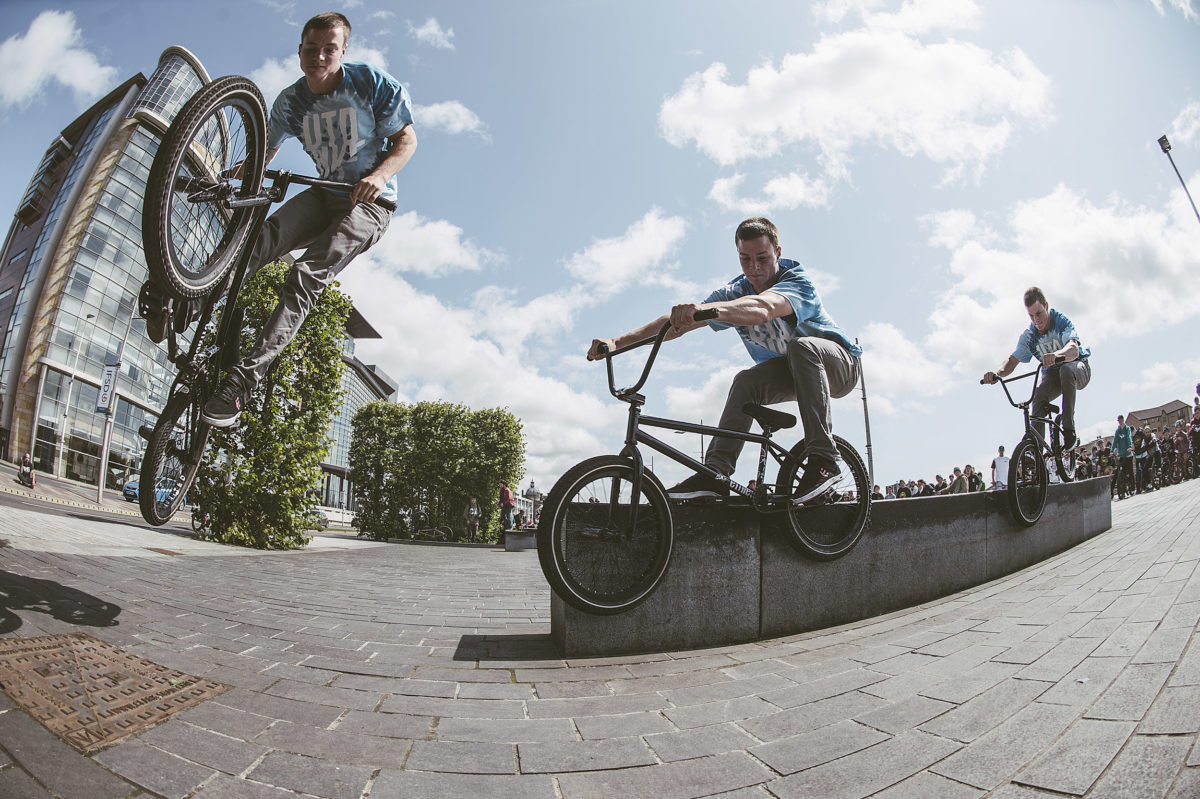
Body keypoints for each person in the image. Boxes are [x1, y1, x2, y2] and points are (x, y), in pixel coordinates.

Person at [141, 11, 417, 428]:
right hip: (324, 194)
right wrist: (225, 175)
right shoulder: (290, 102)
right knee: (259, 241)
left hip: (369, 205)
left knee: (306, 274)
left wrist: (378, 176)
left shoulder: (372, 84)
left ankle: (243, 381)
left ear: (343, 51)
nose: (319, 57)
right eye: (311, 49)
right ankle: (185, 298)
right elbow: (263, 153)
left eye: (329, 49)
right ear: (300, 51)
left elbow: (406, 140)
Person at [588, 217, 861, 502]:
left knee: (802, 348)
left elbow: (763, 308)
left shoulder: (796, 282)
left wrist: (713, 310)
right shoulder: (734, 292)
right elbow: (674, 326)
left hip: (839, 366)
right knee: (745, 382)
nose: (754, 267)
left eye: (762, 258)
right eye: (745, 259)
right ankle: (715, 474)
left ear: (777, 253)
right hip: (793, 372)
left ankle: (825, 459)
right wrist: (618, 342)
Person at [982, 287, 1090, 451]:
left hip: (1077, 369)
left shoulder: (1060, 322)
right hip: (1053, 377)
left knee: (1065, 370)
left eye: (1038, 313)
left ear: (1046, 306)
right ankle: (1036, 451)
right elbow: (1011, 362)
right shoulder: (1029, 336)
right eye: (1031, 316)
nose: (1036, 320)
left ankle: (1069, 429)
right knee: (1038, 395)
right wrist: (996, 374)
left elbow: (1073, 350)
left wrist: (1056, 354)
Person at [1112, 414, 1134, 499]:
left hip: (1128, 454)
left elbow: (1128, 437)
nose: (1120, 422)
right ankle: (1123, 491)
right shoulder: (1117, 431)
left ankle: (1132, 488)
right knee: (1122, 473)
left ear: (1123, 420)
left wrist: (1129, 446)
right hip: (1122, 455)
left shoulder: (1127, 428)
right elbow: (1115, 441)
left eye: (1121, 420)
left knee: (1130, 472)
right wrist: (1111, 451)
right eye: (1119, 420)